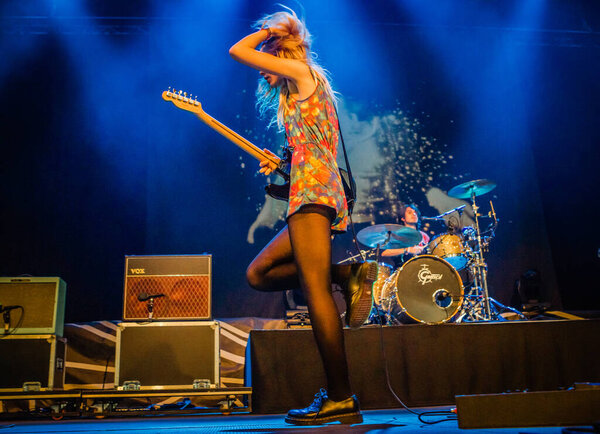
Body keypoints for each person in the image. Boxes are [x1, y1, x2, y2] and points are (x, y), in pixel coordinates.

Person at [229, 8, 377, 426]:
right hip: (306, 189)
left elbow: (237, 50)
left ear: (278, 50)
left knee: (314, 295)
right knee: (258, 273)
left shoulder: (299, 69)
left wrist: (270, 30)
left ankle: (341, 396)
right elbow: (313, 147)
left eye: (267, 61)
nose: (262, 73)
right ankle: (345, 276)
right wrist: (283, 164)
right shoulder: (300, 85)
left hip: (314, 194)